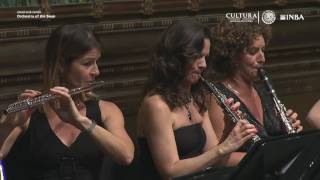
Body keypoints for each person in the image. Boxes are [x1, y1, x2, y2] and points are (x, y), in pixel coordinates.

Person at [0, 24, 134, 180]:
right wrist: (9, 124)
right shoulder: (29, 113)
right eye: (87, 63)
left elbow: (126, 156)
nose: (96, 71)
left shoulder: (107, 110)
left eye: (97, 62)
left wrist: (80, 121)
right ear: (61, 65)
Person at [135, 20, 257, 180]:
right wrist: (224, 148)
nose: (203, 65)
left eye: (205, 57)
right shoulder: (156, 105)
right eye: (197, 57)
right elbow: (170, 171)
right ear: (176, 57)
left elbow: (215, 160)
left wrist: (229, 130)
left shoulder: (194, 98)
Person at [208, 20, 303, 163]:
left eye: (262, 50)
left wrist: (288, 131)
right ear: (233, 56)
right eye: (253, 52)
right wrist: (272, 157)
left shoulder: (264, 91)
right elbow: (218, 158)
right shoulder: (217, 97)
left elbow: (275, 142)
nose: (262, 58)